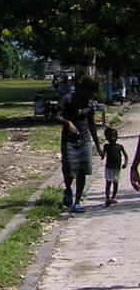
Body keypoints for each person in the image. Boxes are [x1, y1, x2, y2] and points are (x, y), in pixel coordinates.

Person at [55, 75, 102, 212]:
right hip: (69, 140)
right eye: (90, 92)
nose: (91, 95)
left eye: (93, 93)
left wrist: (98, 145)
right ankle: (68, 189)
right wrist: (67, 122)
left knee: (82, 170)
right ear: (83, 90)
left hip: (85, 140)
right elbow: (55, 116)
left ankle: (77, 201)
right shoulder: (67, 99)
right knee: (69, 169)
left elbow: (91, 125)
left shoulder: (89, 104)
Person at [102, 127, 128, 206]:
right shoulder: (106, 146)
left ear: (117, 137)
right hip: (108, 168)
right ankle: (107, 198)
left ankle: (112, 197)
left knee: (115, 183)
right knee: (108, 183)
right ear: (106, 138)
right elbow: (103, 155)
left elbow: (126, 156)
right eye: (110, 137)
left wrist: (125, 163)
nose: (112, 138)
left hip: (117, 168)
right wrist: (101, 154)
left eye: (114, 136)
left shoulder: (120, 147)